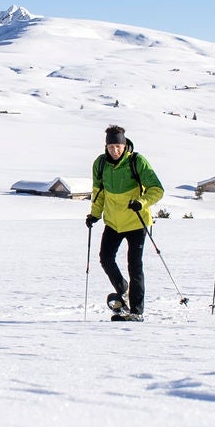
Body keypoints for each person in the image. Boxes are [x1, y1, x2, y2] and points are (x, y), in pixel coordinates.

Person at [86, 125, 164, 320]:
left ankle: (137, 311)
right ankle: (125, 290)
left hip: (136, 221)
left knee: (134, 265)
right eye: (111, 146)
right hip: (113, 221)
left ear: (124, 144)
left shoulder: (137, 161)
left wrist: (141, 202)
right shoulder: (100, 164)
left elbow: (157, 189)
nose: (115, 150)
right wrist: (94, 214)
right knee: (105, 258)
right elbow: (98, 193)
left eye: (118, 146)